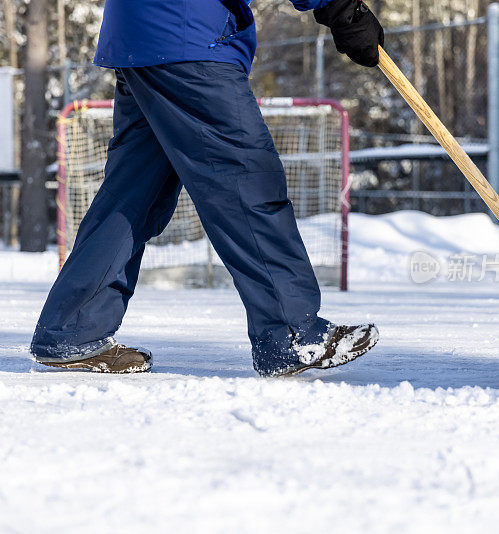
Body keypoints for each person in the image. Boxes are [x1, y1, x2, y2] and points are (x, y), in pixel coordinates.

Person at [30, 0, 384, 377]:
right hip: (189, 38)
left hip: (141, 37)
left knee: (134, 192)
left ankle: (71, 329)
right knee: (247, 182)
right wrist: (343, 10)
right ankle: (291, 332)